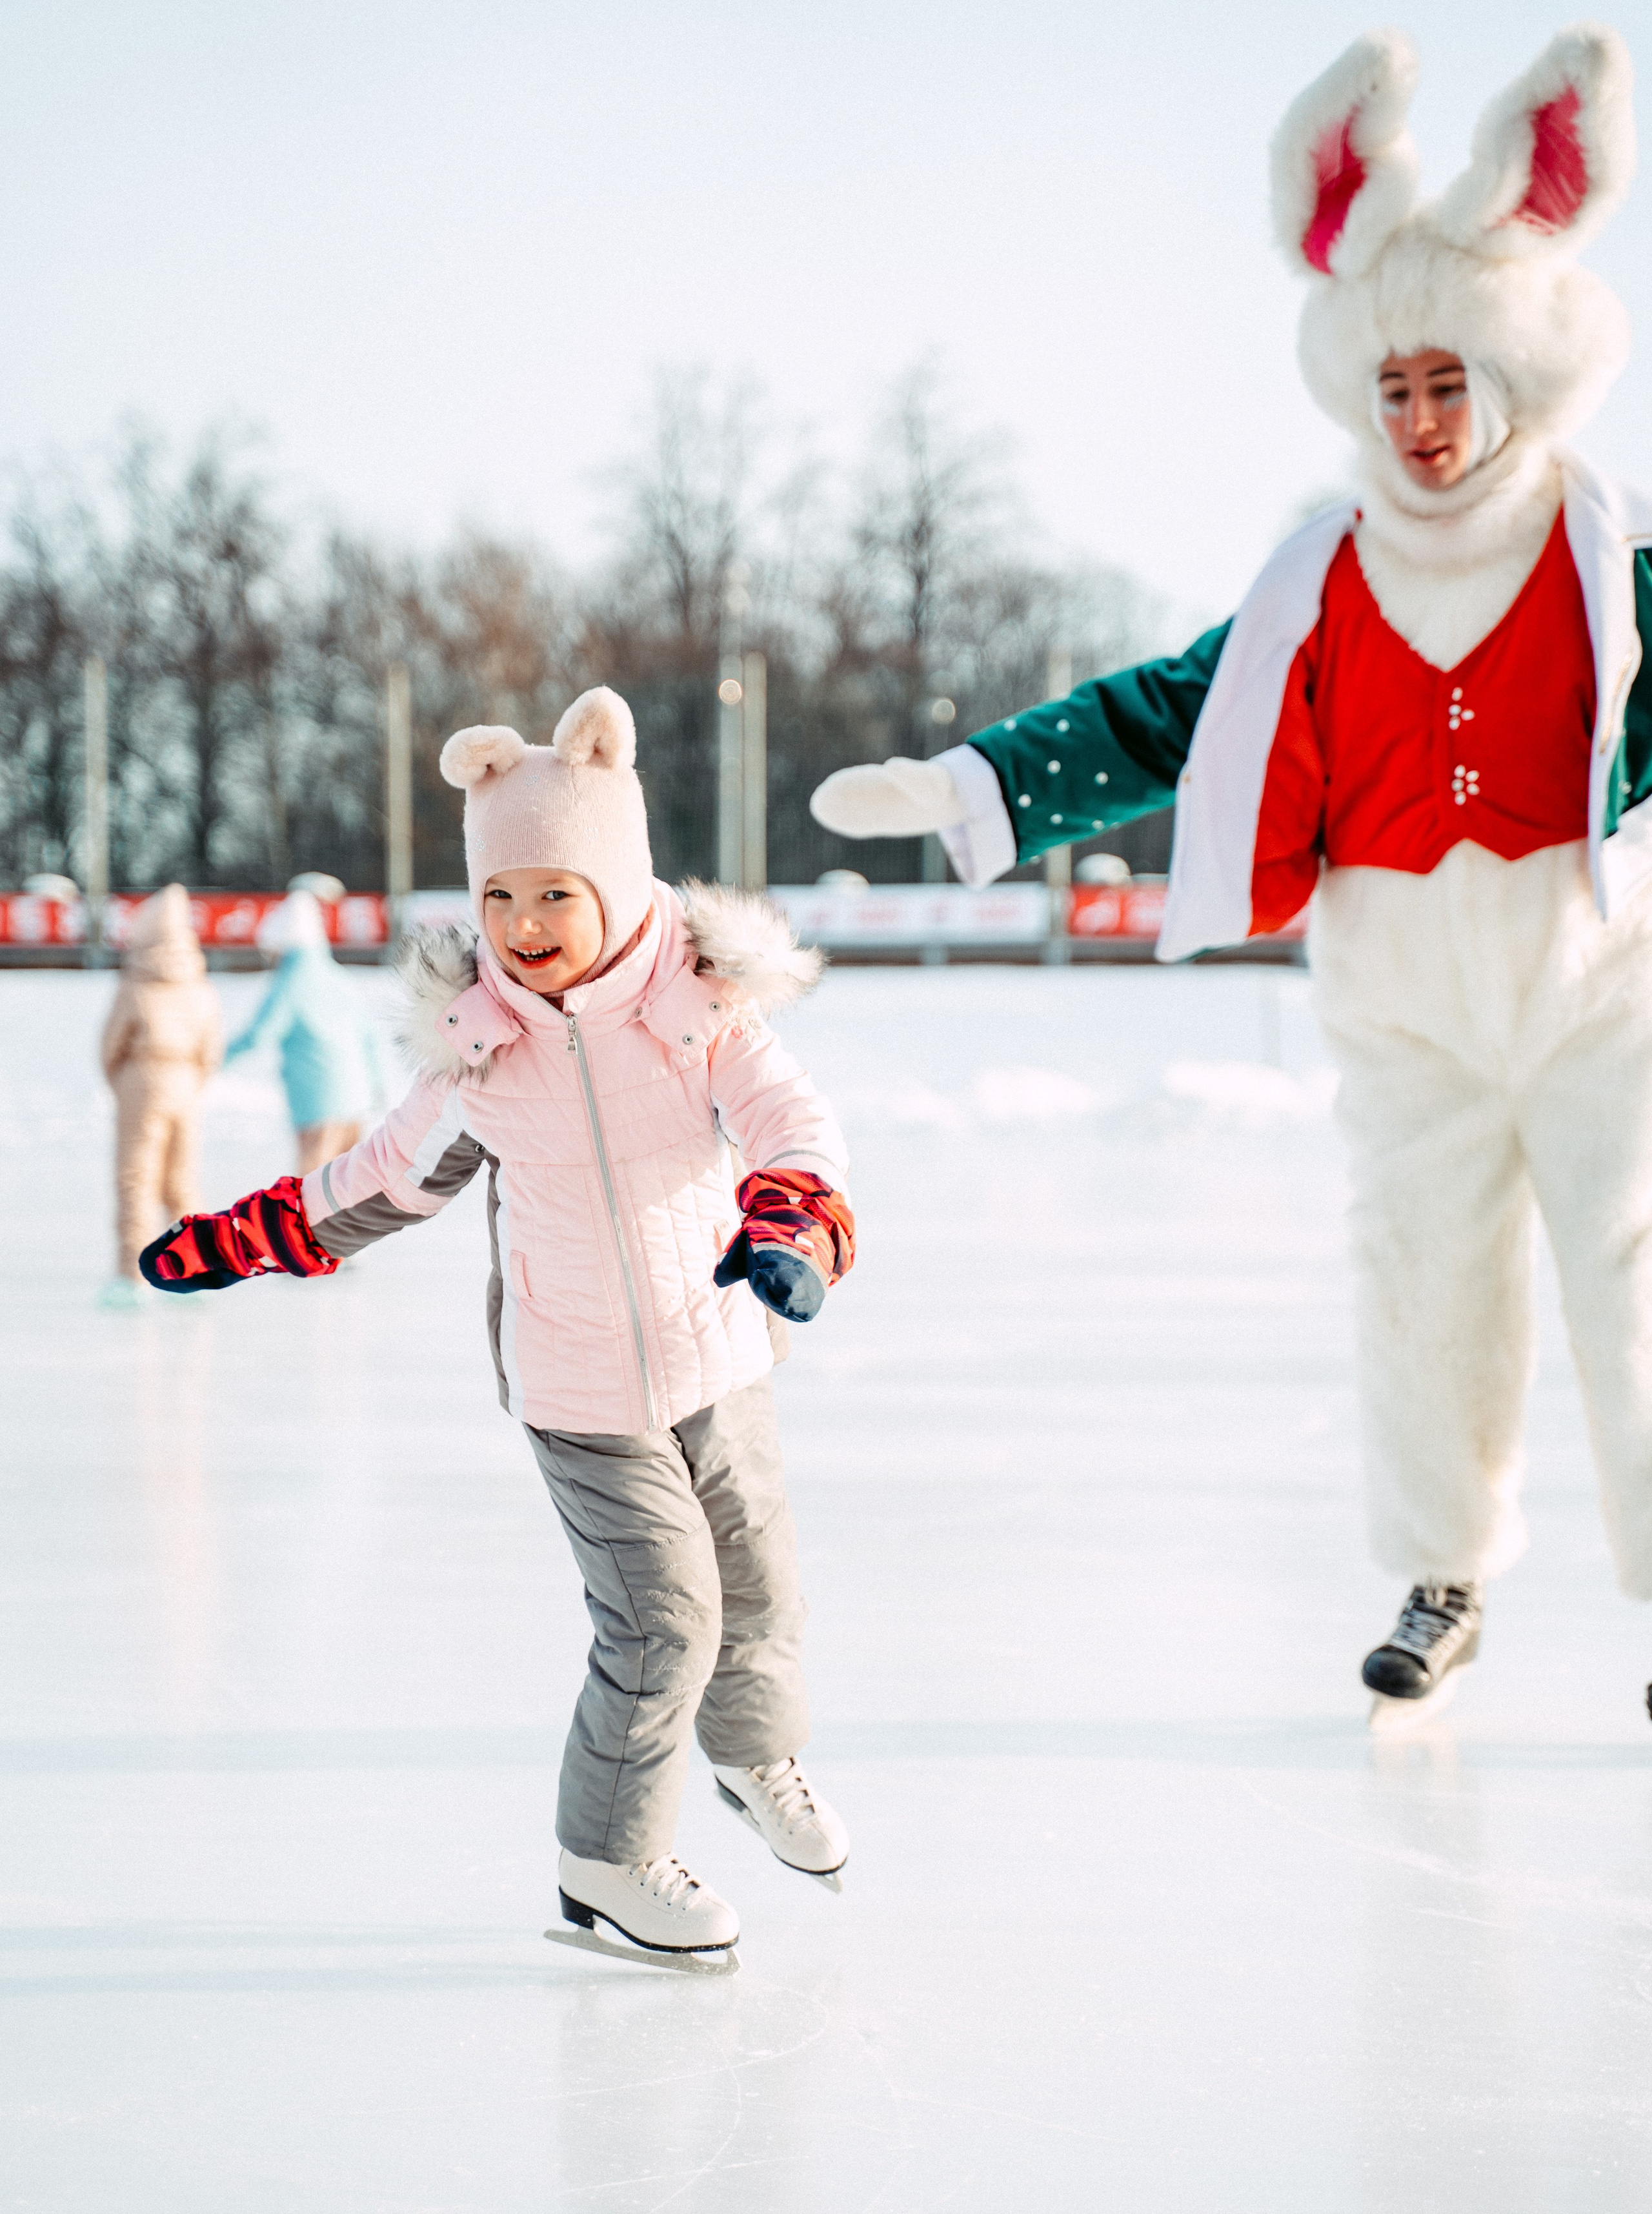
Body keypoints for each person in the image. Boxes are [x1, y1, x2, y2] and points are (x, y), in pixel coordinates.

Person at [812, 26, 1652, 1721]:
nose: (1422, 420)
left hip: (1597, 999)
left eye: (1450, 382)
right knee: (1422, 1291)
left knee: (1638, 1288)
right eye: (1396, 385)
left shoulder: (1605, 561)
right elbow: (1166, 716)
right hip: (1406, 1009)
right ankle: (1442, 1569)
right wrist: (975, 776)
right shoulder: (1314, 585)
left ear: (1513, 375)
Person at [138, 687, 856, 1966]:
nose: (524, 927)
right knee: (662, 1622)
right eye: (500, 898)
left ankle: (752, 1754)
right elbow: (376, 1179)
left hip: (721, 1347)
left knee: (757, 1586)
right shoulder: (480, 1050)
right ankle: (609, 1857)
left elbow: (792, 1120)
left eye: (555, 893)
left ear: (618, 886)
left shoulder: (697, 1008)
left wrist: (791, 1222)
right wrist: (239, 1239)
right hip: (577, 1383)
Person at [98, 884, 223, 1308]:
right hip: (186, 1083)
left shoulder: (136, 983)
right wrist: (191, 1081)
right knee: (182, 1180)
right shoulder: (200, 985)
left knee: (137, 1178)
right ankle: (195, 1269)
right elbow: (212, 1050)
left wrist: (124, 1085)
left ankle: (131, 1275)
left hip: (142, 1080)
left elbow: (111, 1046)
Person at [225, 888, 381, 1173]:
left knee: (311, 1197)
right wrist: (375, 1088)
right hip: (357, 1101)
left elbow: (260, 1034)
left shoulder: (293, 979)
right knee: (348, 1194)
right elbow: (369, 1037)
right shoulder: (338, 975)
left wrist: (212, 1059)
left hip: (319, 1104)